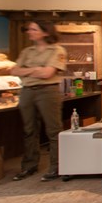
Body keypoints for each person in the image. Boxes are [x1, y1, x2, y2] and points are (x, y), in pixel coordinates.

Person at [10, 21, 67, 181]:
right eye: (29, 29)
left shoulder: (57, 50)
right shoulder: (27, 51)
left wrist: (27, 71)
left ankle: (57, 167)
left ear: (45, 32)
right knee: (29, 130)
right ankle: (29, 166)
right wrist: (37, 70)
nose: (29, 32)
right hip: (27, 92)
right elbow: (14, 70)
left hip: (47, 92)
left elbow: (47, 74)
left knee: (53, 130)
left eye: (34, 29)